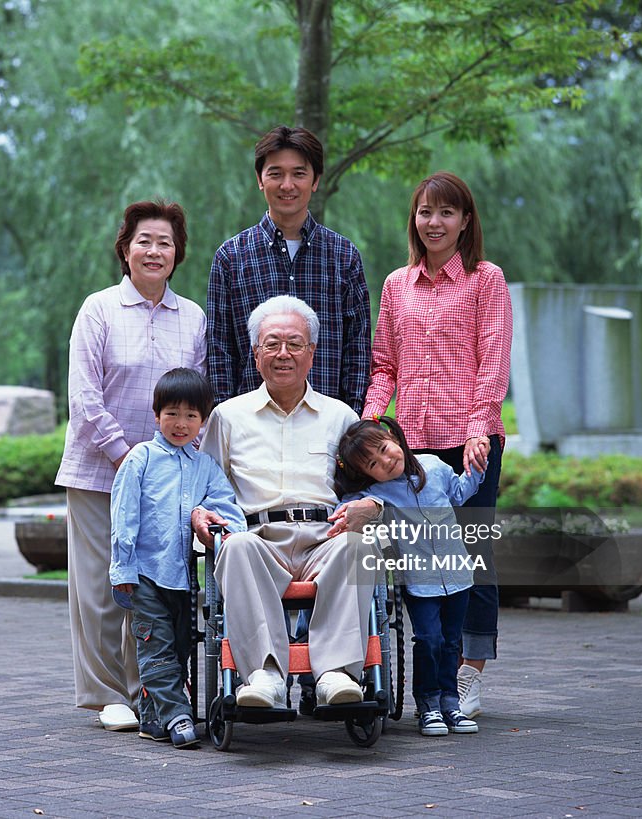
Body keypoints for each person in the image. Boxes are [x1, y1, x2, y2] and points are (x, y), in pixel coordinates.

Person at [363, 171, 512, 717]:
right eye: (425, 212)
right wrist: (369, 423)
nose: (434, 222)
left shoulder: (485, 279)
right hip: (413, 448)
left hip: (470, 443)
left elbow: (493, 358)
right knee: (419, 558)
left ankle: (468, 674)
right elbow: (384, 364)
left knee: (474, 555)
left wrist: (479, 428)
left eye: (446, 212)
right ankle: (430, 675)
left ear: (465, 220)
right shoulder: (397, 285)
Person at [54, 200, 207, 732]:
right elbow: (84, 396)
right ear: (125, 248)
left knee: (152, 584)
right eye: (144, 240)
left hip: (165, 481)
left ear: (177, 253)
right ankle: (103, 694)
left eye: (165, 242)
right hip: (101, 471)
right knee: (99, 585)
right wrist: (126, 456)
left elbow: (197, 403)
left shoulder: (192, 318)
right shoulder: (98, 309)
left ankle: (150, 687)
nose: (154, 250)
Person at [194, 295, 383, 711]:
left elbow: (372, 486)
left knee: (359, 546)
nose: (284, 354)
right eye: (272, 343)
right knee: (236, 546)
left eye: (295, 344)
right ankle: (266, 675)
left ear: (312, 353)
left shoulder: (340, 417)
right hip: (259, 539)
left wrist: (373, 508)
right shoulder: (228, 416)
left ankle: (335, 673)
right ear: (255, 353)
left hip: (326, 538)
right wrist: (198, 512)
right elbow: (203, 485)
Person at [109, 368, 247, 748]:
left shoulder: (204, 466)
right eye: (172, 413)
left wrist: (208, 517)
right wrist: (122, 568)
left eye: (191, 415)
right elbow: (124, 516)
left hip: (185, 577)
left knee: (181, 646)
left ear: (204, 420)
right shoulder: (141, 458)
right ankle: (178, 716)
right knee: (155, 644)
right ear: (156, 415)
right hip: (145, 575)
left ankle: (153, 719)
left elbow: (228, 508)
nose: (180, 423)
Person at [334, 416, 485, 736]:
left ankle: (450, 704)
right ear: (366, 474)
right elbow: (353, 505)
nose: (386, 461)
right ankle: (428, 704)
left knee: (451, 642)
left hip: (459, 575)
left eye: (384, 449)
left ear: (394, 437)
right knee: (429, 639)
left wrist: (477, 467)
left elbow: (459, 493)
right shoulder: (378, 494)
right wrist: (358, 507)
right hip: (419, 582)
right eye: (373, 463)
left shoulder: (435, 466)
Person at [206, 125, 371, 415]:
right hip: (251, 426)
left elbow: (357, 350)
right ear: (260, 179)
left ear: (315, 180)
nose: (287, 185)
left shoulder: (344, 256)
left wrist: (351, 420)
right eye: (275, 173)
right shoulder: (231, 257)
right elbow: (220, 351)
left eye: (298, 173)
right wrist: (224, 418)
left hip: (327, 425)